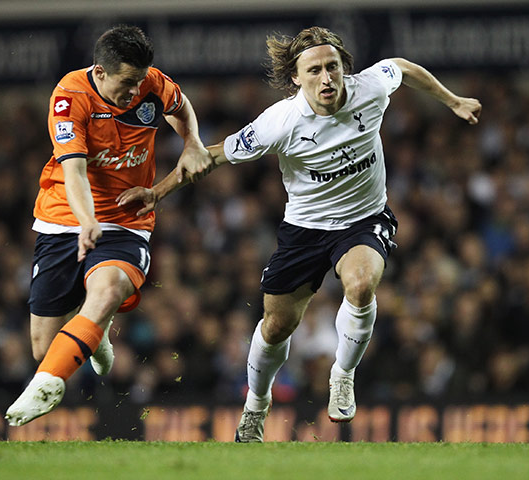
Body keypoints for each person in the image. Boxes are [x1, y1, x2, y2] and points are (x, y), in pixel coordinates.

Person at [119, 26, 481, 442]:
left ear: (344, 68)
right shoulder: (281, 121)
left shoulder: (370, 89)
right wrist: (157, 192)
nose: (326, 78)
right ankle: (256, 404)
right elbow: (215, 155)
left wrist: (452, 101)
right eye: (314, 70)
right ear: (296, 77)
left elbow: (402, 67)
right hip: (305, 231)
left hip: (364, 218)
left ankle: (342, 375)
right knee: (275, 326)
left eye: (332, 67)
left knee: (361, 285)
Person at [5, 25, 213, 427]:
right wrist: (86, 222)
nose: (135, 92)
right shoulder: (70, 97)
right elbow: (76, 172)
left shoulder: (149, 82)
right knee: (42, 346)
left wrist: (192, 141)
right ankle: (91, 338)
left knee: (109, 289)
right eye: (127, 83)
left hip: (126, 220)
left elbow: (181, 105)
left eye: (139, 82)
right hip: (63, 218)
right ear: (100, 72)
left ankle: (46, 384)